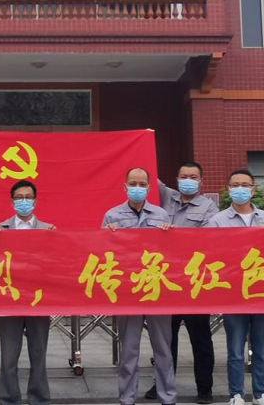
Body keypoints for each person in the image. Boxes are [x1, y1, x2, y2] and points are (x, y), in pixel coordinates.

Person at [143, 162, 219, 404]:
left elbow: (206, 239)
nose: (188, 180)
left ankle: (205, 388)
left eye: (193, 177)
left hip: (194, 282)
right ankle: (162, 383)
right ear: (176, 179)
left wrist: (174, 234)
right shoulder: (166, 197)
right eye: (184, 176)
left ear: (201, 181)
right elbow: (146, 171)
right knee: (166, 338)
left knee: (201, 338)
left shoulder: (209, 207)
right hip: (166, 280)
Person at [103, 167, 176, 405]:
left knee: (163, 349)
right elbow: (103, 252)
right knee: (129, 349)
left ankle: (168, 396)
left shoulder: (161, 215)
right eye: (133, 183)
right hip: (127, 291)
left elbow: (171, 252)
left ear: (149, 187)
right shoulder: (112, 216)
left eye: (142, 184)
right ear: (125, 186)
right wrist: (107, 235)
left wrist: (170, 234)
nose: (137, 187)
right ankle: (127, 397)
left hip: (156, 289)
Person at [204, 169, 264, 405]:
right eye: (235, 185)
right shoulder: (217, 221)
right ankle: (236, 394)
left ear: (253, 189)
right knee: (235, 349)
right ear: (228, 189)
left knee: (262, 349)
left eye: (245, 185)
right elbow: (210, 253)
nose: (240, 189)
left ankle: (261, 393)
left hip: (262, 291)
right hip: (233, 293)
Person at [0, 180, 55, 405]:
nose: (24, 201)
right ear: (12, 201)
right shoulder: (0, 229)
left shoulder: (48, 229)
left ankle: (39, 398)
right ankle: (9, 399)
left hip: (38, 300)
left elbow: (57, 261)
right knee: (8, 356)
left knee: (39, 354)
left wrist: (56, 239)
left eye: (28, 197)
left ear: (35, 201)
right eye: (19, 197)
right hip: (10, 300)